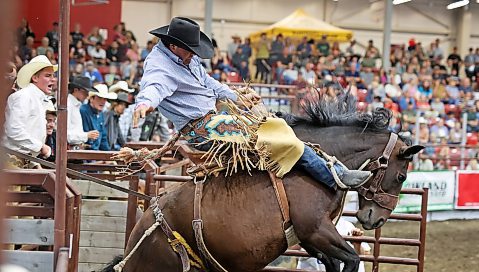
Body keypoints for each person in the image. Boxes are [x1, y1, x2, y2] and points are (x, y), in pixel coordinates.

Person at [132, 17, 371, 189]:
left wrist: (238, 96)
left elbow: (208, 82)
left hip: (212, 122)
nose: (194, 54)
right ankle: (334, 179)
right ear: (174, 46)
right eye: (190, 50)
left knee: (278, 127)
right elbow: (154, 87)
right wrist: (144, 104)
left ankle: (328, 172)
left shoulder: (185, 59)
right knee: (274, 136)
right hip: (202, 130)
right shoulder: (160, 67)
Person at [3, 55, 57, 168]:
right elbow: (14, 130)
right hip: (11, 159)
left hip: (22, 160)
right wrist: (41, 147)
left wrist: (34, 162)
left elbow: (28, 132)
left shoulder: (36, 99)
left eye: (53, 76)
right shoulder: (23, 96)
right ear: (35, 78)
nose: (53, 79)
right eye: (48, 75)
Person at [80, 84, 117, 151]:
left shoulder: (101, 114)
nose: (103, 101)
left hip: (95, 154)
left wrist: (108, 156)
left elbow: (103, 137)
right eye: (100, 98)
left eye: (105, 99)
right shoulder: (83, 111)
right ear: (91, 98)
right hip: (85, 153)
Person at [67, 76, 100, 149]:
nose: (87, 95)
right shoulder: (68, 105)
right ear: (76, 90)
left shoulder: (75, 105)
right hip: (70, 150)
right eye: (85, 91)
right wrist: (87, 135)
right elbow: (65, 134)